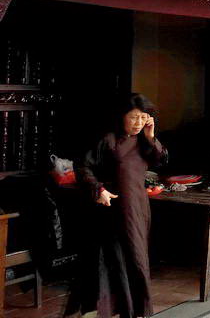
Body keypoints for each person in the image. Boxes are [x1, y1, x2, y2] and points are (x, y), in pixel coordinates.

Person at [65, 94, 167, 318]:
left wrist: (151, 136)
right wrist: (98, 189)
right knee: (114, 259)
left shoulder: (143, 139)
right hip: (112, 206)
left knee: (137, 258)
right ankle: (112, 310)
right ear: (121, 117)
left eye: (142, 118)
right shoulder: (109, 139)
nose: (138, 123)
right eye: (133, 118)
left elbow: (160, 160)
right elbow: (82, 167)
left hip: (138, 207)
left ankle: (136, 310)